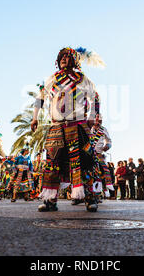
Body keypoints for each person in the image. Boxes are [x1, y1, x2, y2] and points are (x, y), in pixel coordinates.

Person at [31, 47, 105, 212]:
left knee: (85, 162)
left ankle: (90, 198)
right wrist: (35, 117)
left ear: (75, 60)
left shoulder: (82, 78)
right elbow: (40, 97)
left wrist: (93, 115)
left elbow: (95, 97)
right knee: (52, 164)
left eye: (68, 56)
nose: (64, 59)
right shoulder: (52, 78)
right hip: (56, 127)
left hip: (78, 125)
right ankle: (50, 200)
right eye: (61, 57)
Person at [90, 114, 114, 202]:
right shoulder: (88, 128)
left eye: (100, 121)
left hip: (99, 154)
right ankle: (80, 196)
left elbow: (109, 141)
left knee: (99, 174)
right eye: (97, 120)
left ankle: (97, 195)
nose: (98, 122)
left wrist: (107, 145)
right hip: (88, 154)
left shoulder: (104, 130)